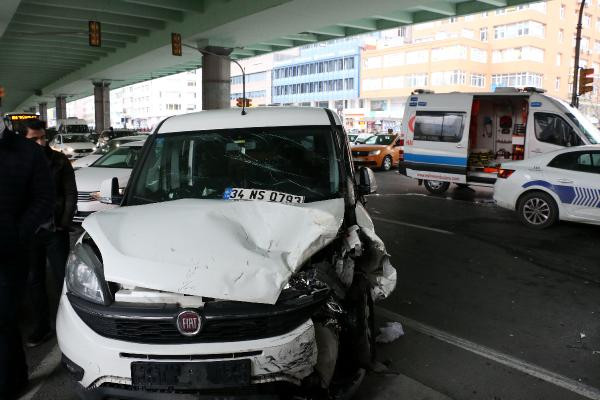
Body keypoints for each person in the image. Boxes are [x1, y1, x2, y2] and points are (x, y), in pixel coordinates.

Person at [0, 119, 54, 399]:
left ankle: (9, 385)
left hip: (9, 252)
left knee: (4, 318)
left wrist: (15, 234)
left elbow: (44, 198)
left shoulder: (27, 152)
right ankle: (16, 373)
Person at [20, 119, 77, 347]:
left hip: (55, 231)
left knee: (63, 278)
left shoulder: (59, 160)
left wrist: (64, 222)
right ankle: (42, 327)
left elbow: (70, 193)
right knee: (34, 281)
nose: (41, 142)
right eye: (34, 139)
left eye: (43, 137)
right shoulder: (17, 163)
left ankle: (72, 327)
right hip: (28, 233)